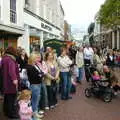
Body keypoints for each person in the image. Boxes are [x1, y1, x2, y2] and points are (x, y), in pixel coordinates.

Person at [1, 47, 20, 119]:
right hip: (10, 83)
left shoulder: (4, 58)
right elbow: (11, 71)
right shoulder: (10, 59)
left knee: (7, 98)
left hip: (5, 81)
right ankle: (11, 114)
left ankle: (6, 111)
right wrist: (15, 79)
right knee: (11, 99)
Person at [26, 52, 44, 119]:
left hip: (38, 84)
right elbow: (36, 76)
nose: (38, 59)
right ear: (32, 58)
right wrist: (41, 75)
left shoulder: (35, 65)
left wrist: (40, 75)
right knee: (34, 101)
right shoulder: (30, 67)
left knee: (36, 101)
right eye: (36, 57)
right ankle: (34, 116)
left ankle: (35, 113)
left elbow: (41, 73)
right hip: (34, 85)